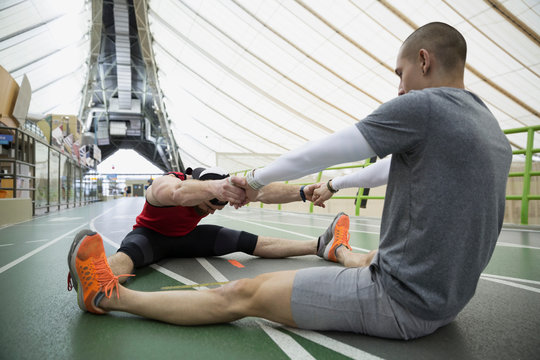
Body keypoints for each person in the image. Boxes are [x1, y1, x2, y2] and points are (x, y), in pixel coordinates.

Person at [67, 22, 512, 340]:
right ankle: (336, 250)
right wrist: (333, 187)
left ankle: (108, 297)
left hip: (398, 301)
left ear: (424, 60)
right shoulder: (490, 129)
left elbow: (322, 151)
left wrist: (252, 179)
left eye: (400, 74)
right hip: (447, 302)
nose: (399, 88)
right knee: (367, 255)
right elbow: (387, 169)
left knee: (242, 294)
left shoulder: (425, 108)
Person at [67, 166, 370, 307]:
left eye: (216, 206)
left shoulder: (214, 198)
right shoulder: (171, 183)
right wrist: (215, 189)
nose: (212, 211)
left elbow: (264, 193)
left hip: (189, 237)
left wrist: (304, 192)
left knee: (250, 241)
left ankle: (321, 246)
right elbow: (173, 192)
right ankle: (95, 282)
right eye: (209, 206)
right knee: (127, 257)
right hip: (151, 236)